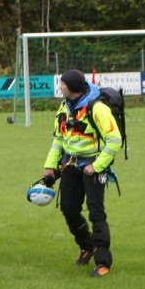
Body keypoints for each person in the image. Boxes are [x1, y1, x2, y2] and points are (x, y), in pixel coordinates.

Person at [41, 69, 123, 277]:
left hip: (93, 167)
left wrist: (95, 166)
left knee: (96, 213)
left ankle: (103, 262)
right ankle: (87, 246)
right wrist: (50, 165)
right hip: (70, 165)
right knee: (69, 209)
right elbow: (59, 139)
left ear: (72, 87)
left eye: (62, 84)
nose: (59, 87)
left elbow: (115, 140)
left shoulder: (97, 108)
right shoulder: (64, 107)